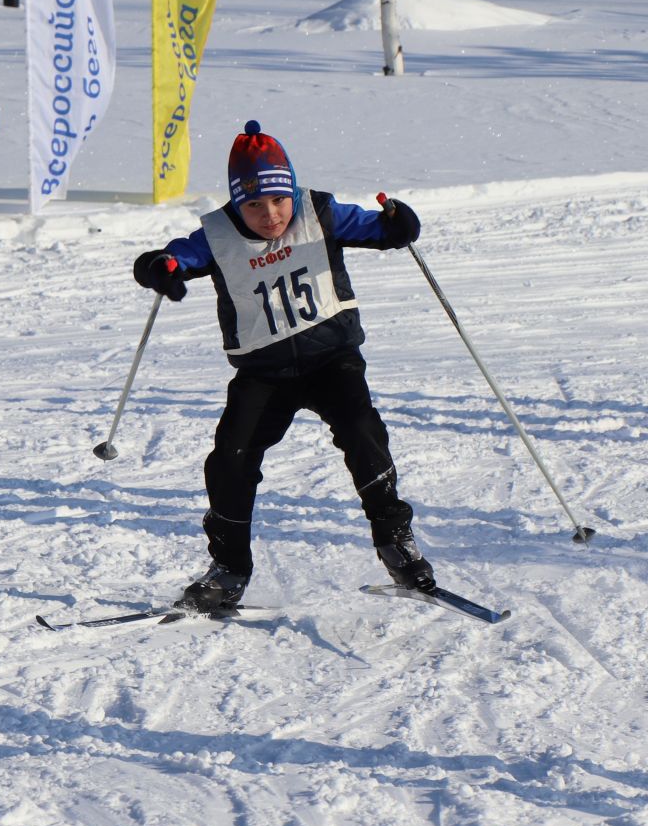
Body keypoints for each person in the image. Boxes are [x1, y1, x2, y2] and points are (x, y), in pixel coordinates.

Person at [132, 120, 435, 613]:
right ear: (236, 204)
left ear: (291, 190)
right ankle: (229, 568)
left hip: (331, 359)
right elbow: (171, 258)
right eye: (254, 205)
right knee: (231, 456)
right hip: (263, 372)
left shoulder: (321, 213)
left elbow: (385, 230)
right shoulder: (218, 234)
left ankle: (395, 542)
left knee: (363, 432)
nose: (270, 215)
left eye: (278, 200)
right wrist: (158, 268)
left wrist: (400, 222)